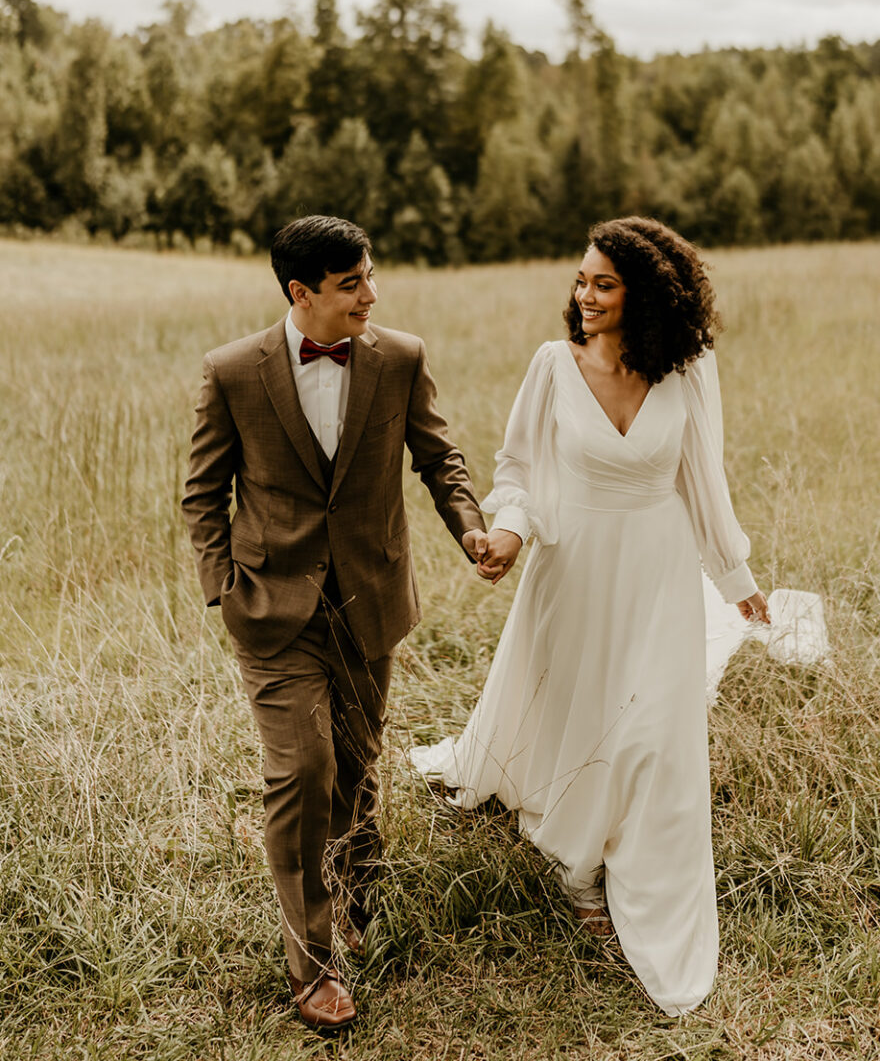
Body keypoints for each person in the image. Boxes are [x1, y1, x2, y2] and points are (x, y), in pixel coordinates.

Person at [412, 216, 769, 1015]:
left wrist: (734, 574)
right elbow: (518, 473)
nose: (585, 295)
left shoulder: (687, 367)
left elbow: (703, 481)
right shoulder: (553, 365)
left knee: (650, 730)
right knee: (581, 714)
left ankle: (628, 860)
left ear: (643, 294)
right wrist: (505, 533)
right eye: (581, 281)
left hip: (659, 571)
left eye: (603, 284)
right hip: (572, 569)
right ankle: (576, 864)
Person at [182, 215, 487, 1032]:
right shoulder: (232, 373)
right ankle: (312, 964)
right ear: (301, 292)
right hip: (272, 610)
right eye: (353, 283)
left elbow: (439, 458)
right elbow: (202, 495)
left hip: (370, 599)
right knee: (303, 770)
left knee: (356, 764)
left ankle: (360, 868)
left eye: (370, 276)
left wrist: (469, 530)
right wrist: (225, 588)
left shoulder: (401, 358)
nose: (371, 294)